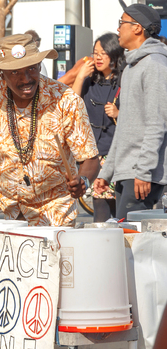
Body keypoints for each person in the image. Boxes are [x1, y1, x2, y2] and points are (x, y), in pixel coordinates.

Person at [0, 33, 99, 226]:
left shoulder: (66, 100)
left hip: (53, 212)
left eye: (31, 69)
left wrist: (83, 180)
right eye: (15, 72)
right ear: (1, 73)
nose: (26, 78)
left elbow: (90, 158)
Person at [94, 1, 167, 220]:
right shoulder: (132, 67)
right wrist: (107, 172)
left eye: (121, 23)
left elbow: (157, 123)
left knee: (135, 246)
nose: (117, 29)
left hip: (141, 175)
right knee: (125, 241)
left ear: (137, 28)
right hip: (127, 172)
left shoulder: (154, 64)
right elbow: (124, 126)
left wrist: (143, 171)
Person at [72, 33, 125, 222]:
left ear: (114, 54)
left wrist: (119, 113)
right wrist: (80, 76)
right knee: (100, 201)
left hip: (117, 152)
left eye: (104, 53)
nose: (98, 57)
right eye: (95, 53)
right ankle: (103, 241)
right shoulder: (90, 81)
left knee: (117, 205)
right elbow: (72, 105)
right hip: (95, 153)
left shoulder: (124, 80)